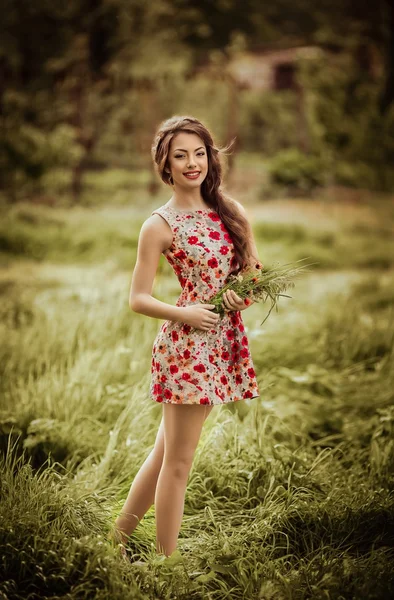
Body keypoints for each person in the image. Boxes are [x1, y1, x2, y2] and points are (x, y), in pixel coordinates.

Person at [112, 115, 262, 559]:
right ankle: (166, 565)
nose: (192, 163)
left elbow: (254, 273)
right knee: (179, 463)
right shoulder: (159, 224)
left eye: (199, 153)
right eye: (181, 155)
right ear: (166, 164)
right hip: (187, 348)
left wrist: (240, 298)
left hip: (221, 341)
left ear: (210, 158)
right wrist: (185, 312)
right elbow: (138, 298)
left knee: (164, 455)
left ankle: (116, 542)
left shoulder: (230, 211)